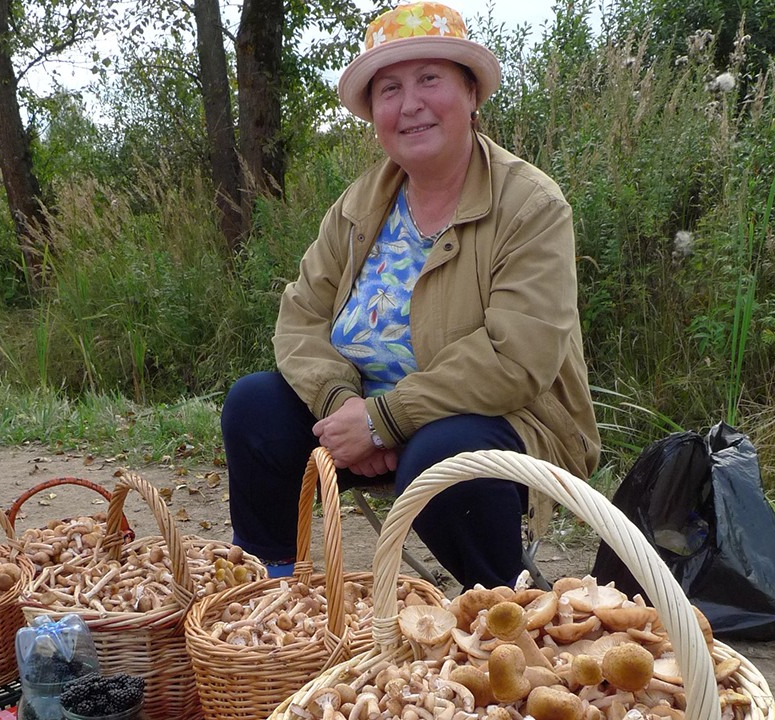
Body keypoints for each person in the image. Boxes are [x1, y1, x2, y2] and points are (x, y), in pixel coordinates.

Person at [222, 1, 600, 589]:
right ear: (374, 112)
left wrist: (385, 421)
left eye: (429, 79)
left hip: (506, 422)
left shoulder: (531, 206)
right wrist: (343, 407)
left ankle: (506, 607)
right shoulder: (359, 205)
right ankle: (273, 592)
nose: (410, 104)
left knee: (443, 458)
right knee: (254, 407)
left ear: (471, 93)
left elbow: (517, 357)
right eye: (390, 89)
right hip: (362, 413)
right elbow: (300, 318)